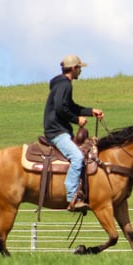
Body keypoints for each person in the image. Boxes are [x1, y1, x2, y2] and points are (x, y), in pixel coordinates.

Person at [43, 54, 104, 212]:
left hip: (57, 129)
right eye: (79, 68)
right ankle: (72, 197)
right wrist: (77, 120)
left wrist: (91, 111)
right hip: (57, 131)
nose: (80, 71)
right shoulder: (65, 85)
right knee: (77, 157)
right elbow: (60, 108)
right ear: (74, 68)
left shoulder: (61, 84)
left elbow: (70, 106)